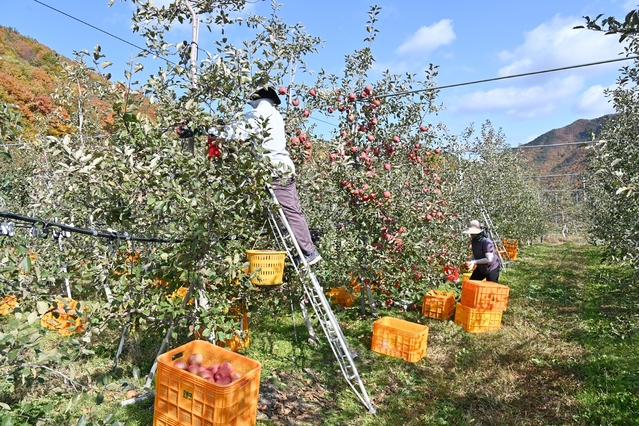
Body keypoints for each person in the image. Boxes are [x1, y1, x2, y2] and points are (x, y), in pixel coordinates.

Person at [209, 86, 321, 266]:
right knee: (294, 211)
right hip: (284, 169)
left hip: (274, 171)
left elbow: (239, 131)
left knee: (291, 213)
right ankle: (307, 249)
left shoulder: (260, 112)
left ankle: (308, 251)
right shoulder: (274, 114)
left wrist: (211, 131)